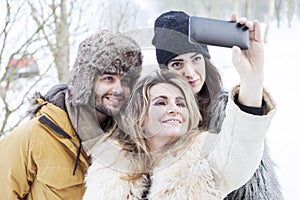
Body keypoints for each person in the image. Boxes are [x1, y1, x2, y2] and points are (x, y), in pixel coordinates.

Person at [83, 69, 276, 199]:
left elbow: (242, 144)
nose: (174, 109)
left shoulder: (205, 158)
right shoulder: (108, 169)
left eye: (181, 103)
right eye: (161, 102)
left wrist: (252, 81)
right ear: (140, 117)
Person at [151, 11, 283, 199]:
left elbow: (242, 146)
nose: (190, 71)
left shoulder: (226, 112)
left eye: (196, 58)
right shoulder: (155, 115)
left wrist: (252, 82)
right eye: (177, 63)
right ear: (165, 71)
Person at [0, 30, 142, 199]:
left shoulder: (129, 143)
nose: (118, 90)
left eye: (126, 81)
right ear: (86, 81)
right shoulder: (34, 135)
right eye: (108, 79)